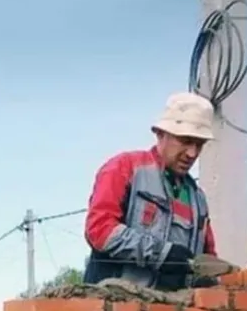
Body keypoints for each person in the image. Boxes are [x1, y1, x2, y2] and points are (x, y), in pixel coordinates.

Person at [82, 92, 220, 290]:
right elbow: (100, 230)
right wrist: (161, 254)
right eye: (185, 140)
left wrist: (206, 279)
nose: (192, 153)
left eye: (199, 145)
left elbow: (208, 257)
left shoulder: (198, 199)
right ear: (160, 133)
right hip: (115, 308)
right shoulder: (124, 168)